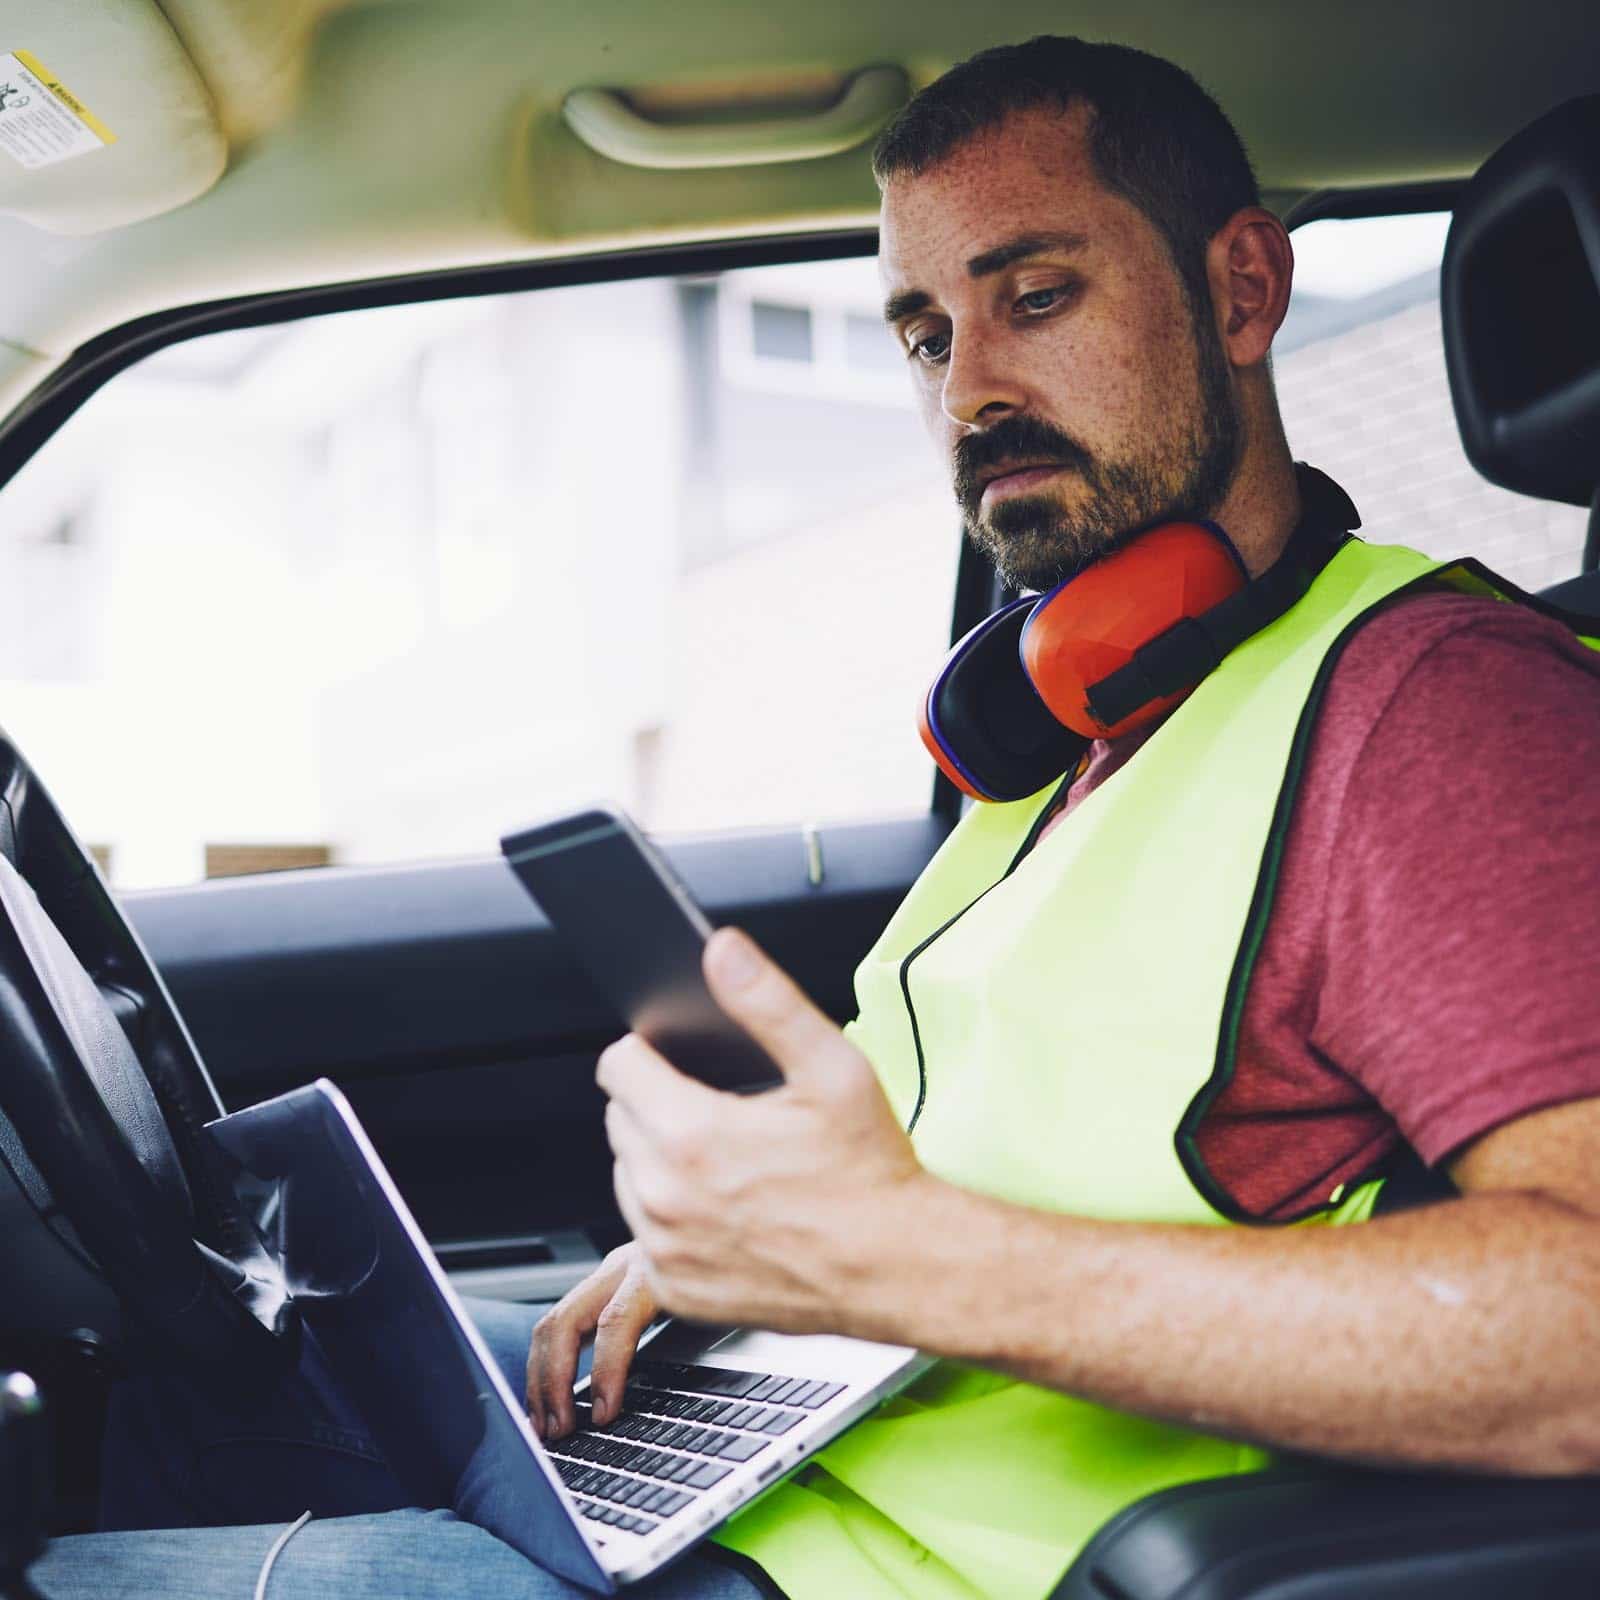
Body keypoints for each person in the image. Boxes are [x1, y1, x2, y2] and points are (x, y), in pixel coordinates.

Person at [34, 32, 1600, 1600]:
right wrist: (748, 1263)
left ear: (1245, 290)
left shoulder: (1445, 710)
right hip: (804, 1448)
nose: (971, 390)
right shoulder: (1078, 741)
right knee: (200, 1394)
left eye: (1036, 296)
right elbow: (983, 1143)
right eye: (924, 333)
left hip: (930, 1569)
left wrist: (893, 1260)